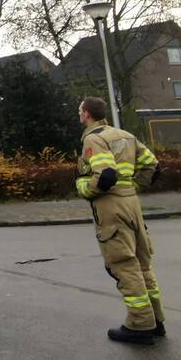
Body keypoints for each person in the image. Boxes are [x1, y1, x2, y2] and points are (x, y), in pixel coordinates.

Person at [76, 96, 165, 345]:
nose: (79, 115)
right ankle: (156, 320)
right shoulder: (125, 135)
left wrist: (84, 187)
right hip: (132, 204)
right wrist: (132, 187)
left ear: (87, 114)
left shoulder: (93, 138)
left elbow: (105, 175)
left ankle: (140, 324)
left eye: (80, 111)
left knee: (124, 264)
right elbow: (153, 166)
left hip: (111, 207)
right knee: (143, 264)